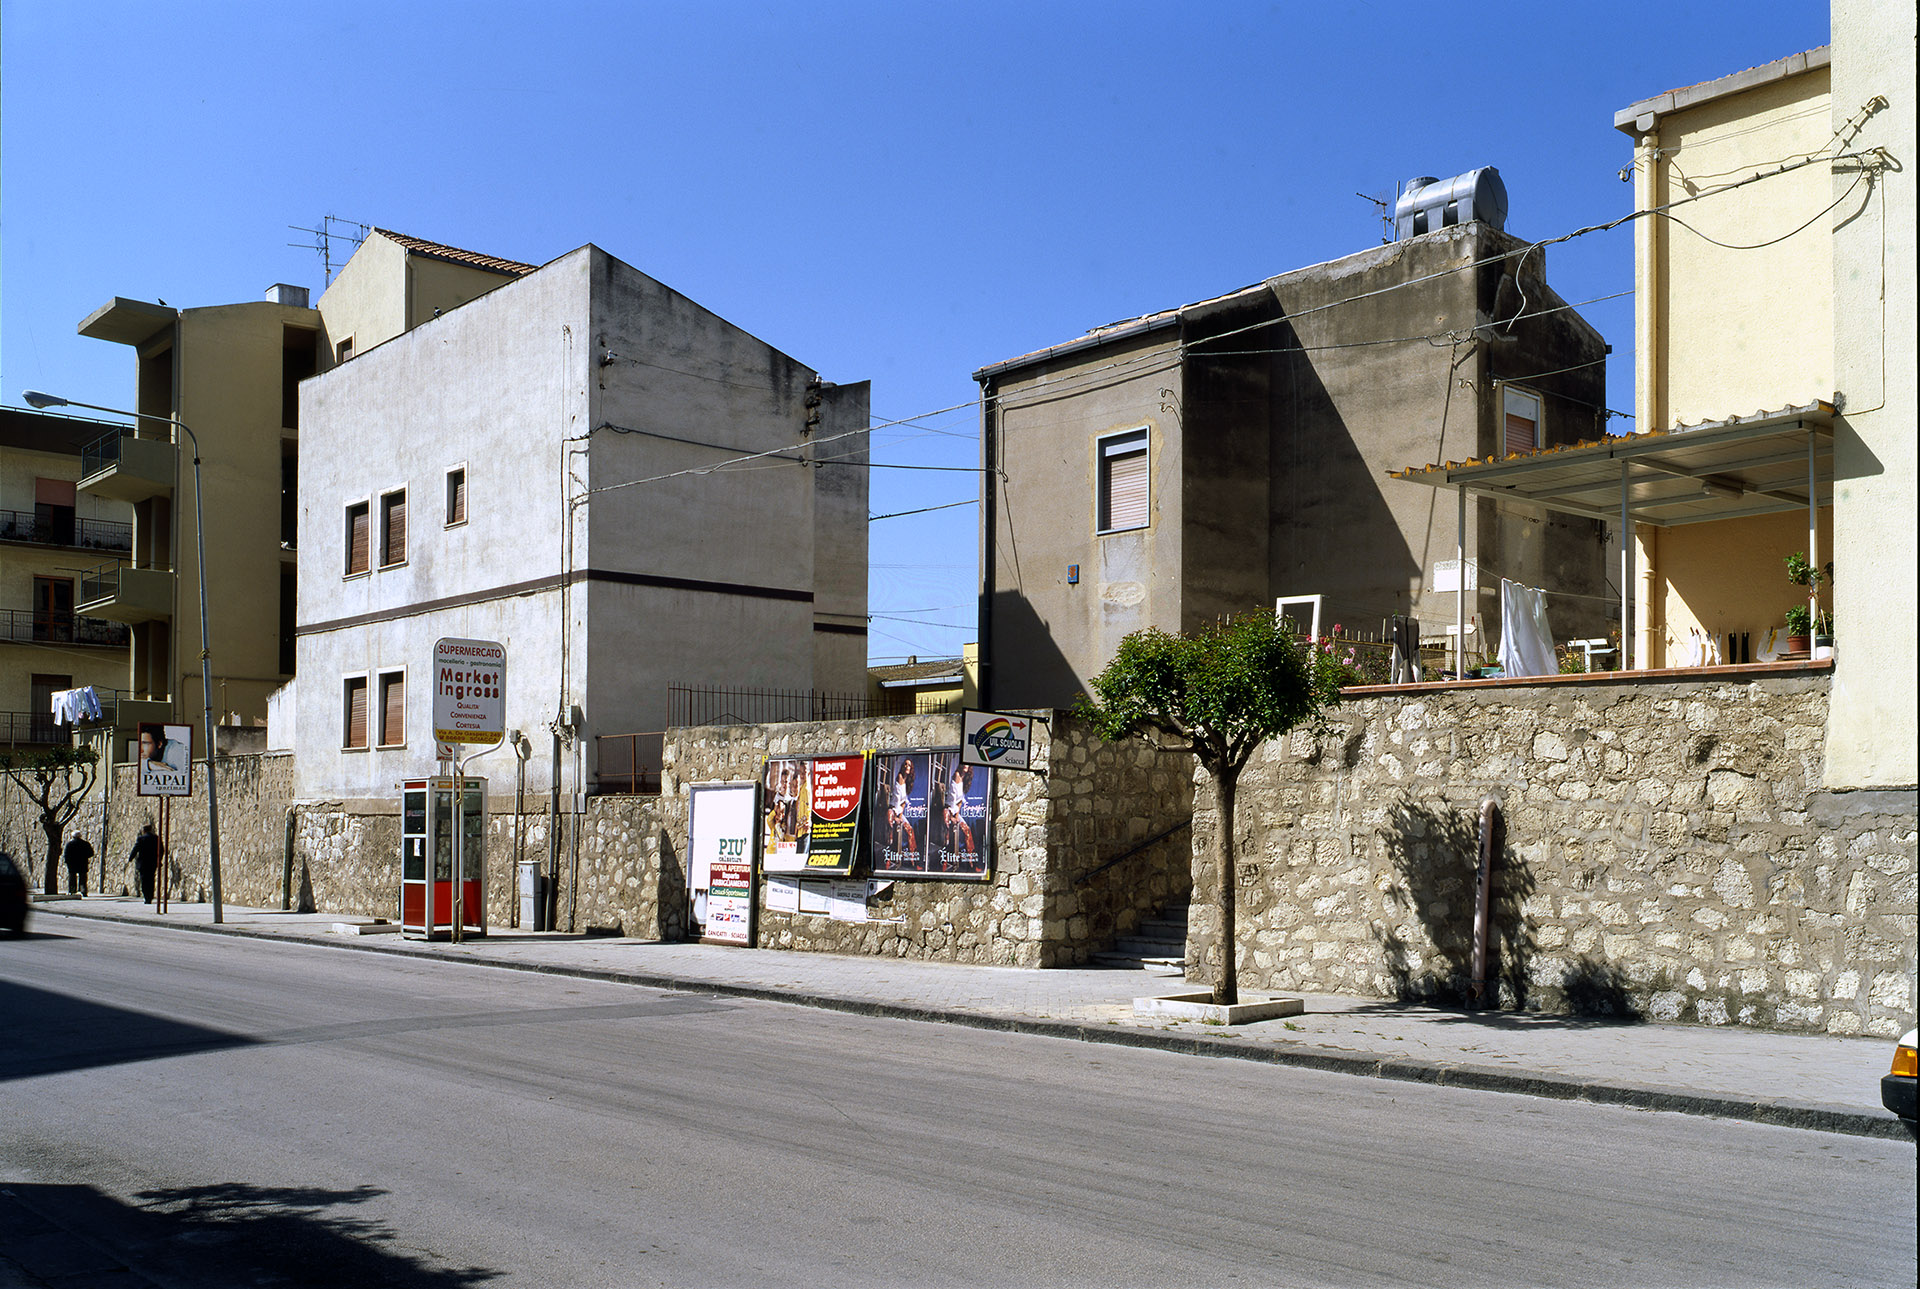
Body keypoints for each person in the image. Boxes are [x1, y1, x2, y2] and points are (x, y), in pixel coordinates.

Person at [129, 823, 162, 904]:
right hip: (153, 862)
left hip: (143, 863)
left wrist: (131, 858)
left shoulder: (141, 839)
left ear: (143, 830)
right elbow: (162, 849)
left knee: (144, 880)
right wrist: (159, 859)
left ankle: (146, 897)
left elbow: (136, 848)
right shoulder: (156, 838)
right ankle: (150, 896)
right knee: (151, 879)